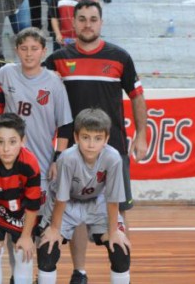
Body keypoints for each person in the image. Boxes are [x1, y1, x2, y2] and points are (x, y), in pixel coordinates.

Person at [44, 0, 147, 284]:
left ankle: (123, 269)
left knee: (121, 208)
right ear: (73, 23)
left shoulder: (120, 57)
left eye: (92, 18)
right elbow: (36, 86)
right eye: (82, 19)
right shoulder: (57, 59)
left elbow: (137, 96)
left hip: (113, 150)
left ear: (100, 23)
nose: (87, 24)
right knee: (75, 207)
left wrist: (142, 134)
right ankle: (80, 272)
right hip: (73, 152)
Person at [37, 108, 132, 284]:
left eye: (97, 138)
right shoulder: (67, 158)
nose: (91, 144)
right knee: (47, 250)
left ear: (106, 139)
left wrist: (113, 232)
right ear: (76, 137)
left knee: (120, 250)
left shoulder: (113, 158)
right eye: (85, 137)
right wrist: (55, 230)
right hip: (66, 205)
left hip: (98, 203)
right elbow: (61, 199)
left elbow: (112, 200)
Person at [0, 27, 72, 191]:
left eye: (34, 49)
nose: (29, 54)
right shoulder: (6, 73)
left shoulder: (54, 82)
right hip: (8, 159)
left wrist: (57, 160)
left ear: (44, 51)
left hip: (42, 160)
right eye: (24, 48)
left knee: (38, 213)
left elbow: (65, 125)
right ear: (16, 51)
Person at [0, 113, 41, 284]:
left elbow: (33, 204)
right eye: (0, 142)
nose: (6, 149)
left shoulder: (31, 163)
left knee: (23, 254)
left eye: (12, 142)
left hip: (21, 214)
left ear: (22, 141)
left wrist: (27, 236)